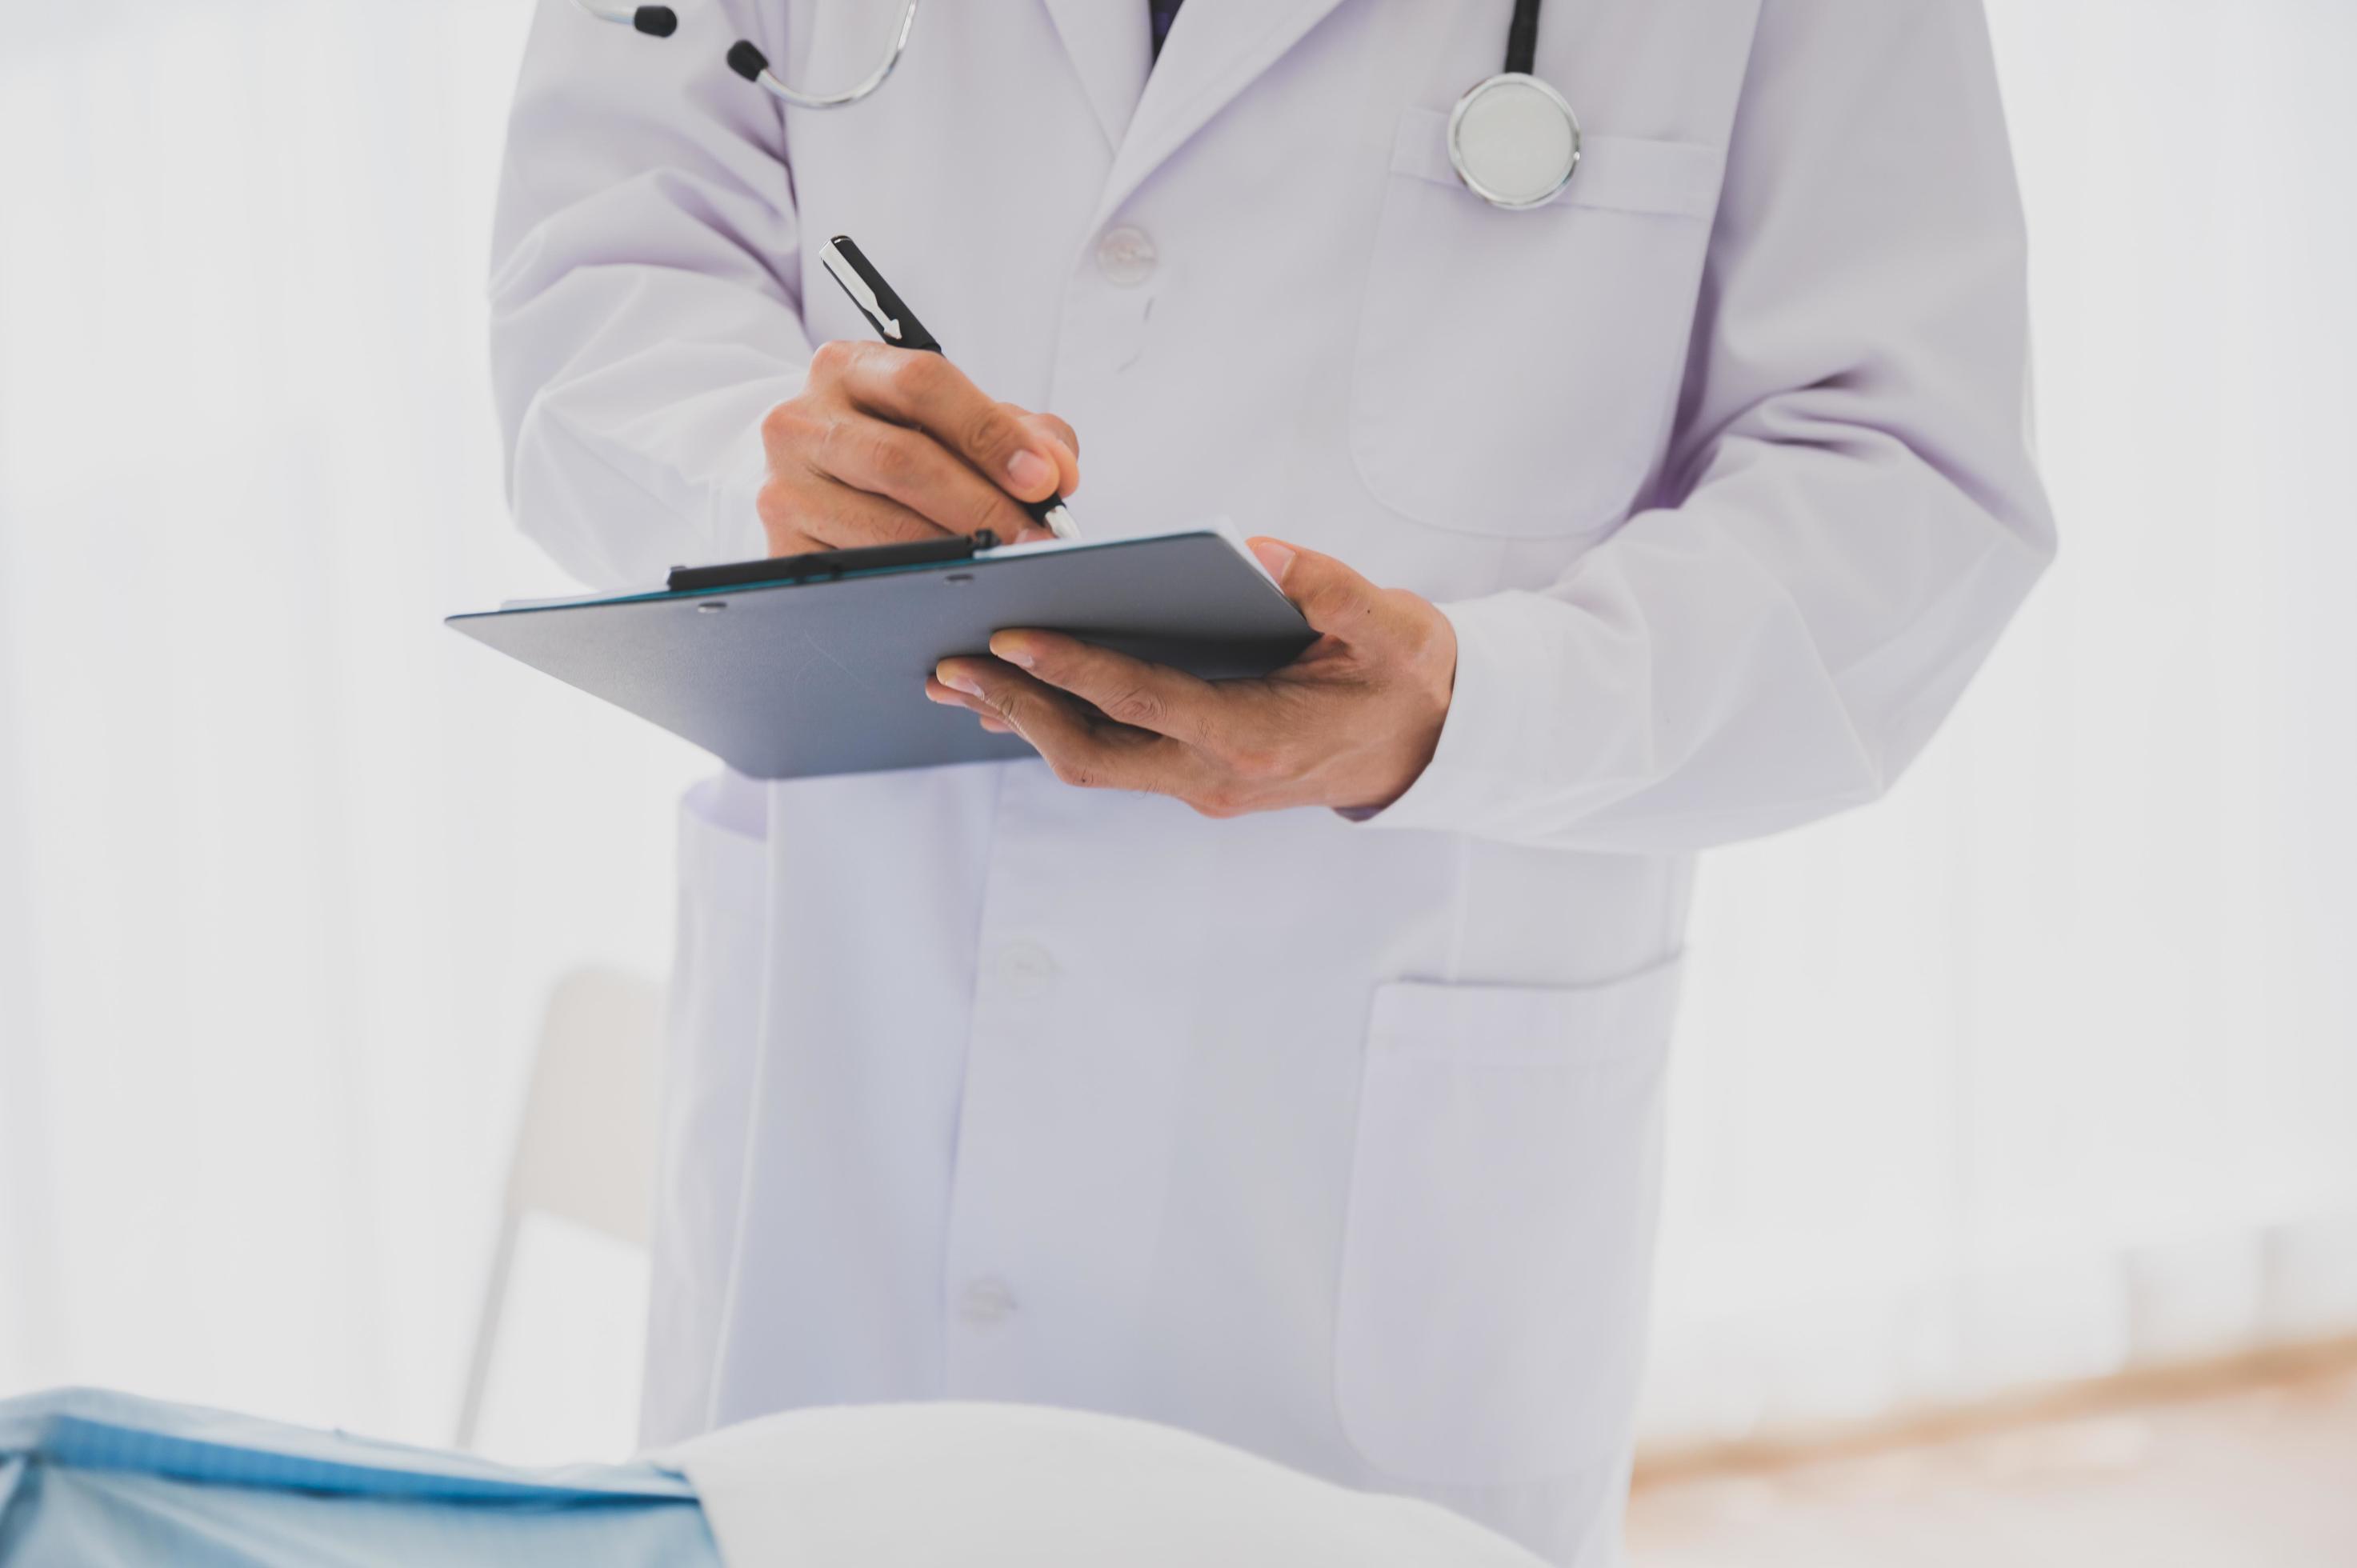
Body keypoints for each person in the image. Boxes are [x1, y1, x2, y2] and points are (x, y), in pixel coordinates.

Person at [489, 2, 2053, 1562]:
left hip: (1356, 1146)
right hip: (859, 1075)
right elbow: (603, 279)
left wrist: (1468, 705)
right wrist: (761, 462)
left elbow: (1908, 478)